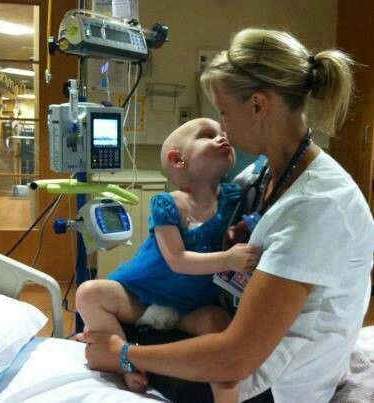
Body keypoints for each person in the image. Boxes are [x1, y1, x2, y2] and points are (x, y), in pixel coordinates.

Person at [77, 28, 374, 403]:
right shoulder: (261, 176)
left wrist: (122, 353)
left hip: (271, 385)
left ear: (257, 106)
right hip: (247, 350)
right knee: (126, 323)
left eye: (223, 112)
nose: (224, 128)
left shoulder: (320, 205)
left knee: (121, 344)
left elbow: (234, 358)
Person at [76, 117, 260, 403]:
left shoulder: (235, 198)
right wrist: (229, 259)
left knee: (218, 322)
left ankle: (226, 396)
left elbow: (240, 231)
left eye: (224, 134)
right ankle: (125, 362)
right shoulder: (168, 204)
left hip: (190, 309)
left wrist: (240, 233)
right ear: (178, 160)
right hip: (141, 296)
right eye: (208, 135)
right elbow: (176, 259)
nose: (222, 138)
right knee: (89, 293)